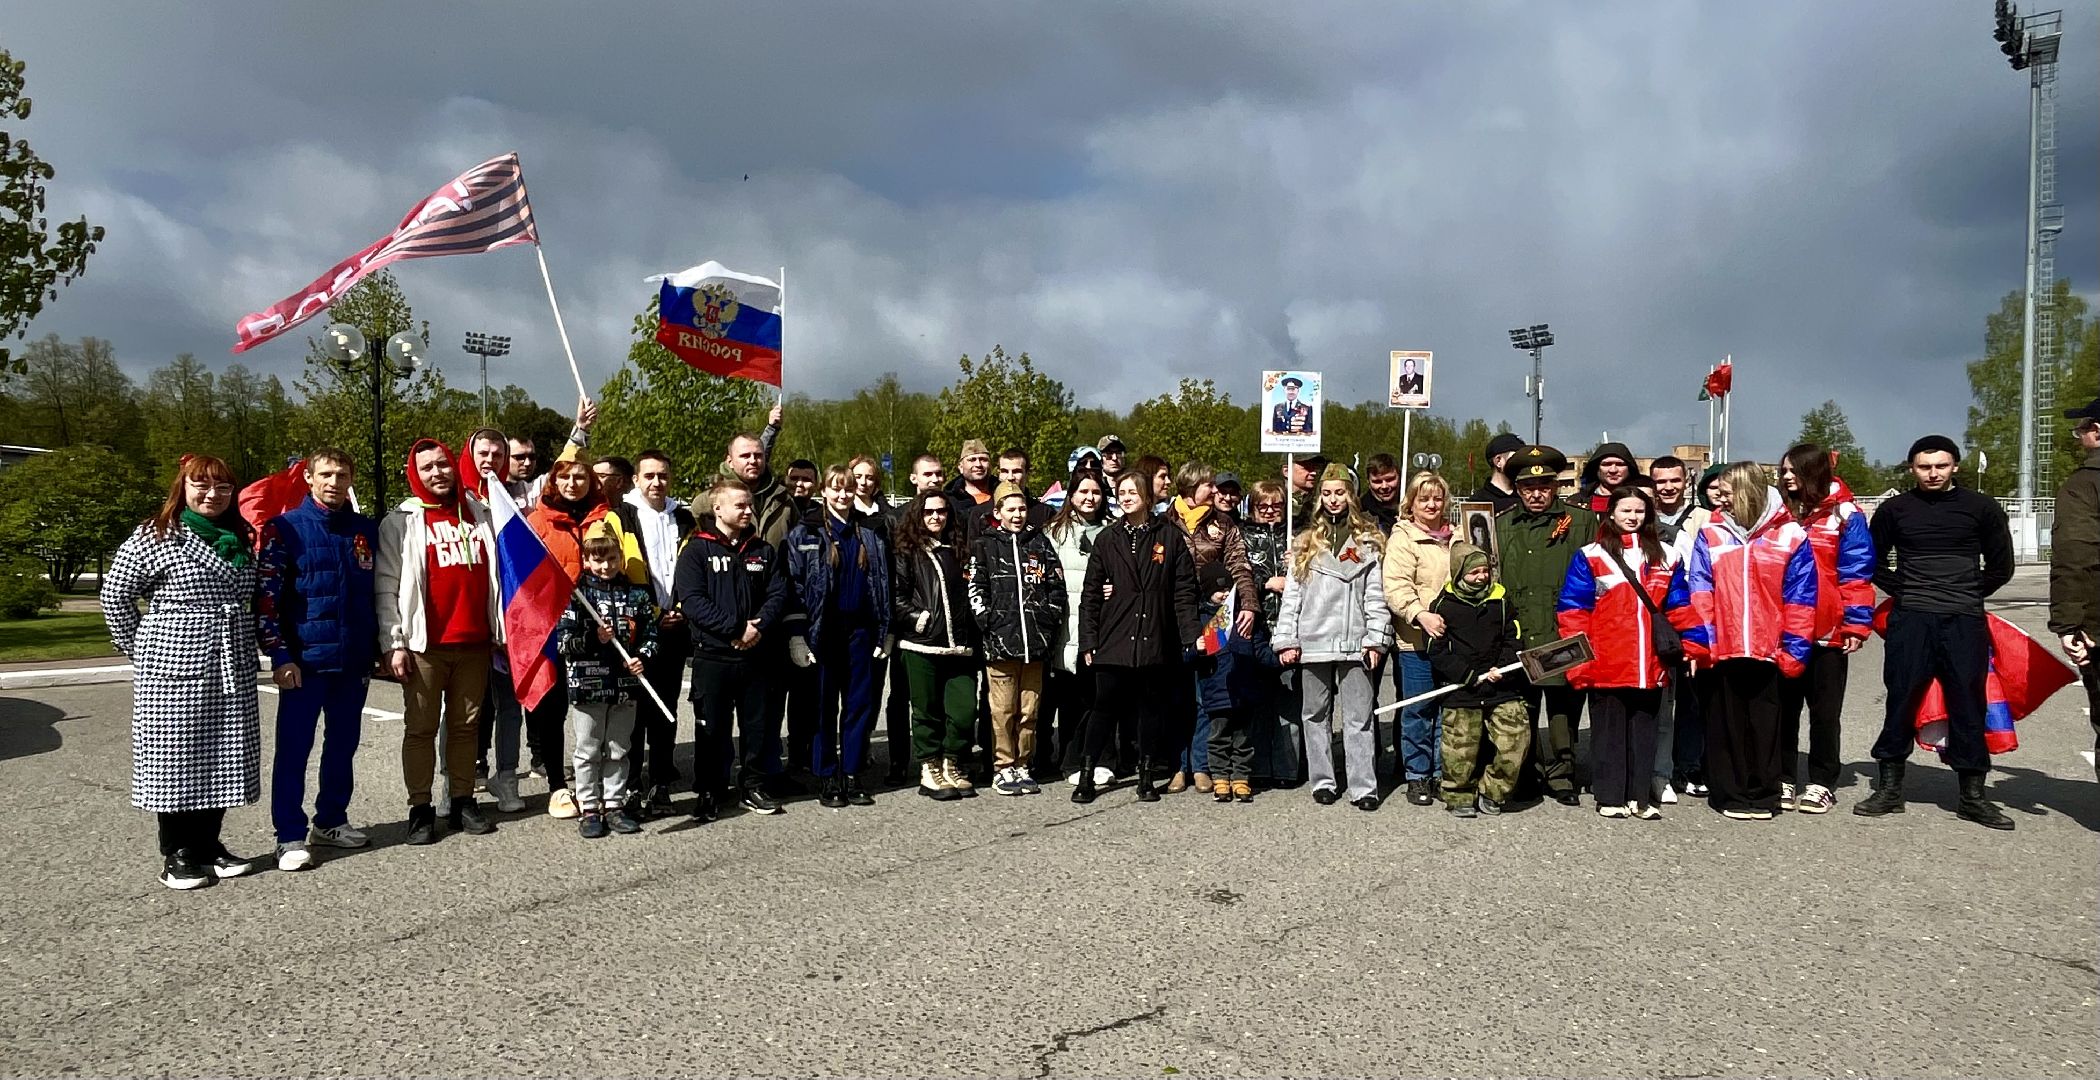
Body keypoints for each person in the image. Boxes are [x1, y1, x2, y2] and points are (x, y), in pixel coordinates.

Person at [101, 454, 265, 890]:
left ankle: (210, 845)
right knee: (175, 759)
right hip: (175, 662)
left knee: (222, 757)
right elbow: (115, 594)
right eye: (202, 485)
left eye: (223, 487)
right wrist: (141, 648)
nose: (213, 494)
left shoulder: (238, 537)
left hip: (230, 660)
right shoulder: (157, 534)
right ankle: (178, 853)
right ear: (184, 487)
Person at [1854, 436, 2016, 828]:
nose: (1933, 473)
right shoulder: (1895, 509)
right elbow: (1871, 561)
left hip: (1963, 620)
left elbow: (2001, 566)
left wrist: (1967, 592)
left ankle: (1972, 796)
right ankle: (1890, 789)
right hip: (1911, 620)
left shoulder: (1982, 507)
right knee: (1901, 700)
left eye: (1941, 466)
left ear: (1955, 466)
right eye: (1925, 466)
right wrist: (1904, 590)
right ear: (1912, 468)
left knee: (1968, 704)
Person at [1670, 462, 1817, 821]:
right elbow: (1700, 590)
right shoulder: (1713, 532)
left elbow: (1801, 597)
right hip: (1724, 649)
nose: (1722, 497)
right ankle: (1730, 793)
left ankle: (1763, 794)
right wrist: (1704, 643)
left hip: (1770, 648)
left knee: (1766, 725)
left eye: (1728, 490)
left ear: (1748, 489)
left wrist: (1794, 648)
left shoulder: (1790, 534)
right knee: (1724, 724)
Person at [254, 448, 376, 871]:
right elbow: (267, 600)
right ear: (308, 478)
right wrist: (279, 655)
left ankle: (331, 821)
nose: (334, 482)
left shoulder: (364, 530)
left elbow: (374, 595)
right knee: (294, 751)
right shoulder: (284, 528)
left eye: (342, 475)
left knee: (342, 747)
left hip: (352, 661)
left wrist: (373, 650)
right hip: (302, 664)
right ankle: (289, 835)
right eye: (325, 474)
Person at [378, 439, 505, 845]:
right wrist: (393, 642)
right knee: (420, 729)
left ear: (455, 466)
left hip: (474, 643)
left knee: (466, 727)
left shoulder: (480, 513)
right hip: (424, 645)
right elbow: (386, 587)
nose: (437, 473)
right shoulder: (401, 521)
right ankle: (420, 808)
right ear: (415, 473)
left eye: (443, 465)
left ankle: (464, 799)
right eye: (428, 467)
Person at [525, 456, 642, 819]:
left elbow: (631, 564)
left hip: (602, 630)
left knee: (599, 712)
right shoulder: (535, 521)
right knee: (552, 706)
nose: (573, 483)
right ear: (553, 483)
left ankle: (614, 791)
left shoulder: (607, 518)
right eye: (566, 477)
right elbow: (526, 576)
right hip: (552, 624)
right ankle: (558, 784)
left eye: (581, 477)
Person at [1073, 471, 1200, 803]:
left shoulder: (1169, 537)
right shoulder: (1108, 538)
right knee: (1104, 706)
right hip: (1114, 635)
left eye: (1132, 491)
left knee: (1150, 708)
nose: (1126, 497)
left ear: (1148, 497)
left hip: (1155, 636)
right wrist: (1088, 640)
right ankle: (1087, 774)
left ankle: (1145, 776)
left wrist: (1190, 636)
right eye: (1121, 491)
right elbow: (1090, 595)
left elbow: (1184, 592)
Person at [674, 478, 795, 821]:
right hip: (713, 656)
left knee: (757, 726)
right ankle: (710, 790)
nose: (748, 510)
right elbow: (693, 602)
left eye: (749, 505)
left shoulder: (761, 550)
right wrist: (735, 628)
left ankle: (753, 786)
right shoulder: (697, 550)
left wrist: (757, 627)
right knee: (711, 728)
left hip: (757, 654)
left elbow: (778, 593)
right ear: (718, 509)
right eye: (740, 505)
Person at [1275, 464, 1392, 811]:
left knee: (1360, 717)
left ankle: (1363, 786)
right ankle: (1323, 780)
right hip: (1313, 640)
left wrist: (1376, 639)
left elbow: (1375, 596)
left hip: (1354, 640)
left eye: (1339, 492)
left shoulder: (1370, 540)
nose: (1333, 499)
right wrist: (1286, 639)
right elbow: (1292, 596)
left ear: (1351, 495)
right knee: (1315, 714)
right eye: (1326, 493)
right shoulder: (1306, 541)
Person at [1558, 489, 1680, 820]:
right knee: (1609, 733)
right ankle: (1610, 795)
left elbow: (1681, 607)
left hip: (1649, 663)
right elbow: (1573, 611)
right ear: (1611, 513)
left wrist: (1693, 647)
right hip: (1606, 661)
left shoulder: (1668, 556)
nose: (1632, 517)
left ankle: (1640, 797)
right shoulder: (1590, 555)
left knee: (1644, 733)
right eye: (1625, 510)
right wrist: (1578, 663)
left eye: (1639, 511)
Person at [1775, 443, 1875, 814]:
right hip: (1784, 628)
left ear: (1815, 471)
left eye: (1794, 470)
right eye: (1784, 470)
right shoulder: (1779, 512)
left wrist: (1856, 623)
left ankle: (1821, 782)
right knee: (1783, 709)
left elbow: (1857, 572)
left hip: (1827, 630)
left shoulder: (1845, 514)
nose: (1786, 476)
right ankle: (1783, 777)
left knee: (1824, 711)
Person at [784, 465, 893, 808]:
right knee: (822, 706)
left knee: (859, 705)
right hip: (823, 633)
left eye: (848, 489)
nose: (844, 494)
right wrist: (797, 635)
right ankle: (827, 773)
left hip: (860, 632)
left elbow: (883, 585)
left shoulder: (870, 534)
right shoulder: (805, 533)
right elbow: (794, 587)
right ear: (824, 491)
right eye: (836, 488)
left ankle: (852, 772)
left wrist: (886, 630)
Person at [1495, 445, 1595, 806]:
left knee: (1562, 709)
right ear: (1517, 489)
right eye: (1527, 488)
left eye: (1544, 486)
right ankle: (1523, 774)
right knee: (1521, 707)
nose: (1536, 494)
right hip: (1519, 631)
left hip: (1560, 632)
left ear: (1555, 487)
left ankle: (1562, 775)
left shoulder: (1581, 523)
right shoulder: (1502, 526)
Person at [966, 480, 1068, 795]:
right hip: (1000, 645)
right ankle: (1002, 765)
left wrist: (1048, 619)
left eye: (1022, 508)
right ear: (997, 512)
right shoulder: (985, 545)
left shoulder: (1039, 543)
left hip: (1035, 645)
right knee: (1003, 710)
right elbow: (975, 588)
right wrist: (989, 623)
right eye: (1010, 509)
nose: (1018, 514)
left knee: (1029, 710)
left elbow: (1056, 586)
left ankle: (1024, 763)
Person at [1166, 460, 1259, 794]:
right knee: (1177, 694)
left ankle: (1203, 765)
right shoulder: (1164, 521)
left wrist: (1248, 603)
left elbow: (1240, 565)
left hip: (1211, 615)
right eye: (1209, 484)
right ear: (1192, 487)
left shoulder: (1224, 524)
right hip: (1172, 616)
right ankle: (1178, 765)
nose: (1216, 490)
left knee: (1206, 692)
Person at [558, 533, 658, 838]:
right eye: (598, 559)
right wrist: (593, 639)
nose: (605, 565)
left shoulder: (637, 595)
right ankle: (589, 807)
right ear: (587, 560)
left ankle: (614, 804)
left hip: (626, 684)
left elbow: (651, 635)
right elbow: (563, 642)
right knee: (588, 749)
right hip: (588, 683)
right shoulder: (577, 594)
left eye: (612, 558)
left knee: (618, 748)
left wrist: (642, 657)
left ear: (620, 558)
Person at [614, 449, 695, 819]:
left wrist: (681, 609)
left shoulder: (685, 517)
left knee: (665, 709)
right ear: (636, 479)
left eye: (662, 475)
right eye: (649, 475)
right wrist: (651, 615)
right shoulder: (620, 518)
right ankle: (631, 784)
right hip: (638, 631)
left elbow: (691, 569)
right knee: (634, 711)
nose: (656, 482)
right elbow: (612, 574)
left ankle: (661, 780)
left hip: (676, 627)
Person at [1427, 543, 1528, 817]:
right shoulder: (1443, 604)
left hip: (1500, 684)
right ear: (1460, 573)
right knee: (1459, 749)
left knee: (1515, 740)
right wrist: (1466, 675)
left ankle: (1493, 791)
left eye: (1486, 571)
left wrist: (1504, 667)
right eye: (1474, 573)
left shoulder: (1501, 599)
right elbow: (1436, 650)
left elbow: (1514, 638)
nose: (1482, 577)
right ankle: (1458, 795)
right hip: (1462, 687)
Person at [892, 488, 981, 799]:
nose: (935, 517)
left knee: (964, 710)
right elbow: (897, 597)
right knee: (926, 710)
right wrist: (921, 619)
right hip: (923, 645)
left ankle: (952, 762)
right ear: (918, 514)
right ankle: (930, 767)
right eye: (929, 512)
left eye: (941, 511)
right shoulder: (908, 551)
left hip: (961, 646)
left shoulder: (960, 550)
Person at [1380, 470, 1454, 806]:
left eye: (1437, 498)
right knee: (1420, 710)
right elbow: (1395, 587)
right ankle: (1418, 775)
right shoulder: (1403, 538)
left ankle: (1442, 773)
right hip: (1417, 641)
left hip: (1453, 640)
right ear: (1411, 503)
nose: (1431, 504)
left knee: (1447, 709)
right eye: (1424, 498)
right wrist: (1419, 614)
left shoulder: (1458, 536)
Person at [881, 453, 953, 784]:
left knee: (938, 697)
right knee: (902, 697)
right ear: (914, 479)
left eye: (939, 474)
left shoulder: (953, 516)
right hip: (908, 625)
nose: (934, 479)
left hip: (944, 630)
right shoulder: (896, 518)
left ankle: (942, 759)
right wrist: (911, 619)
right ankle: (899, 761)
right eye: (928, 474)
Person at [1645, 453, 1711, 805]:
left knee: (1694, 699)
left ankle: (1691, 764)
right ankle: (1658, 769)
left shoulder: (1705, 518)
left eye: (1674, 480)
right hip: (1655, 621)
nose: (1668, 487)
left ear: (1686, 481)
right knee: (1658, 701)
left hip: (1693, 618)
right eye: (1661, 481)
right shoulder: (1641, 515)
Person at [1046, 468, 1113, 786]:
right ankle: (1071, 761)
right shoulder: (1054, 532)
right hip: (1067, 626)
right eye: (1083, 492)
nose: (1090, 498)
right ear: (1071, 495)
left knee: (1102, 695)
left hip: (1105, 626)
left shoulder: (1113, 531)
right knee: (1072, 698)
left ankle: (1101, 758)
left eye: (1096, 492)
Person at [1195, 560, 1280, 803]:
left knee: (1243, 737)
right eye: (1218, 590)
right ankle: (1220, 777)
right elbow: (1190, 654)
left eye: (1227, 589)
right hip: (1217, 689)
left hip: (1244, 688)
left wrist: (1281, 660)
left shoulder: (1244, 617)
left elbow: (1260, 649)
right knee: (1219, 736)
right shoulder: (1202, 619)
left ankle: (1241, 777)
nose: (1223, 594)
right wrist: (1196, 649)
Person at [2049, 398, 2100, 779]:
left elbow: (2075, 555)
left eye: (2083, 428)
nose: (2080, 434)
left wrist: (2068, 625)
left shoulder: (2084, 485)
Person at [1240, 479, 1301, 788]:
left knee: (1288, 700)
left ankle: (1288, 768)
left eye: (1276, 505)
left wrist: (1298, 564)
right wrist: (1267, 581)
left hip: (1290, 627)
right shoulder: (1243, 535)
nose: (1269, 511)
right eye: (1262, 506)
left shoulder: (1296, 535)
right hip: (1258, 625)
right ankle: (1257, 765)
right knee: (1257, 700)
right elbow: (1239, 572)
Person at [1467, 432, 1527, 515]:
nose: (1521, 463)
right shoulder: (1478, 501)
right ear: (1498, 461)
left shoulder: (1526, 496)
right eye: (1516, 458)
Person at [1575, 442, 1642, 513]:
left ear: (1630, 469)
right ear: (1597, 469)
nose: (1613, 470)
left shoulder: (1642, 501)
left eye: (1620, 464)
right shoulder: (1575, 503)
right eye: (1606, 464)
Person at [947, 439, 997, 509]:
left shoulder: (1003, 493)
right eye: (972, 460)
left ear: (990, 465)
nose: (978, 464)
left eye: (983, 459)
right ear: (961, 467)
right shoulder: (949, 500)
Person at [1360, 454, 1403, 535]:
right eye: (1377, 482)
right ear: (1368, 482)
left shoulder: (1414, 507)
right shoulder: (1360, 512)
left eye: (1390, 479)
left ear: (1400, 477)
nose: (1384, 486)